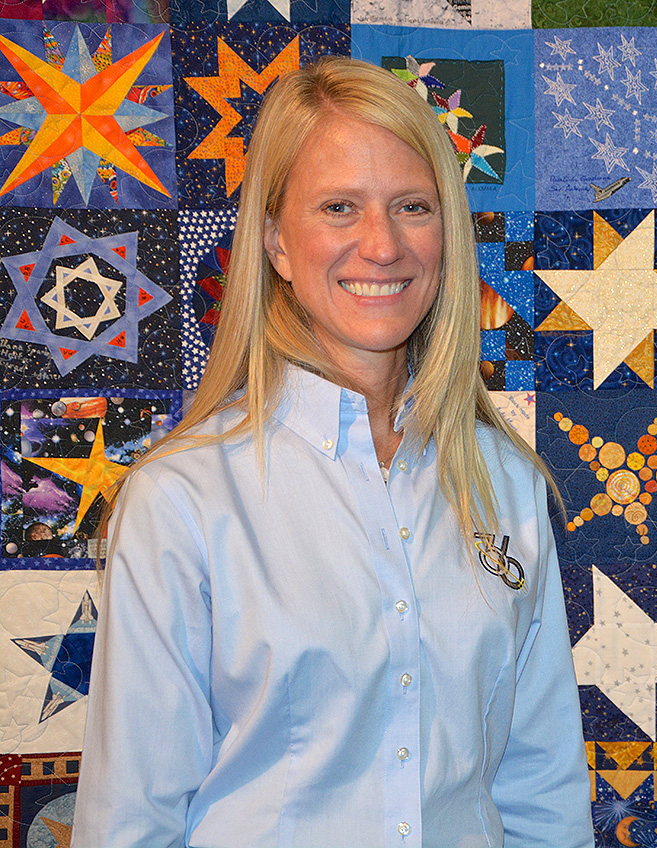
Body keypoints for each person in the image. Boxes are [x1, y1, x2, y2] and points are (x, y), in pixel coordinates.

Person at [71, 57, 592, 847]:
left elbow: (541, 790)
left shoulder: (509, 485)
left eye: (412, 206)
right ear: (277, 239)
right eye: (340, 207)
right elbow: (132, 821)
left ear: (446, 232)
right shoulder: (181, 499)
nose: (381, 246)